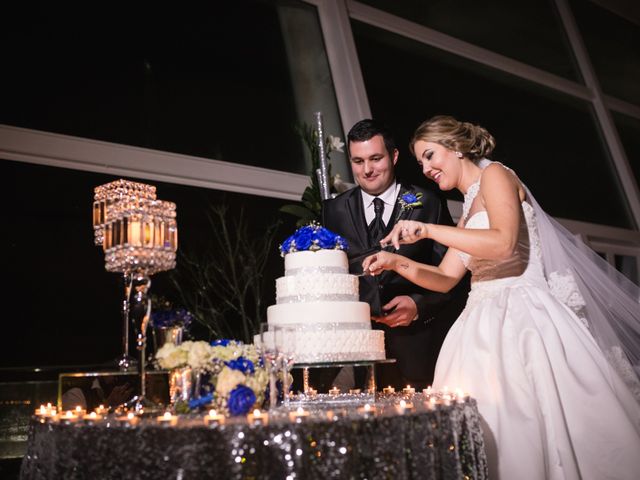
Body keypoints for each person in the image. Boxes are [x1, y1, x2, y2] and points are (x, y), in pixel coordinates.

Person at [363, 115, 640, 479]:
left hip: (526, 318)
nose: (427, 169)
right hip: (479, 324)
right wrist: (396, 262)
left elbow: (503, 242)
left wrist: (428, 229)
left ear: (456, 148)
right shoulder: (465, 211)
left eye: (430, 156)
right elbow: (446, 278)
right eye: (420, 163)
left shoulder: (495, 175)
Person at [322, 118, 469, 389]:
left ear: (394, 155)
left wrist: (418, 306)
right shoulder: (334, 210)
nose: (367, 170)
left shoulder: (428, 203)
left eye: (375, 158)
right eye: (357, 161)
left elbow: (453, 275)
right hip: (359, 351)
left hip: (417, 346)